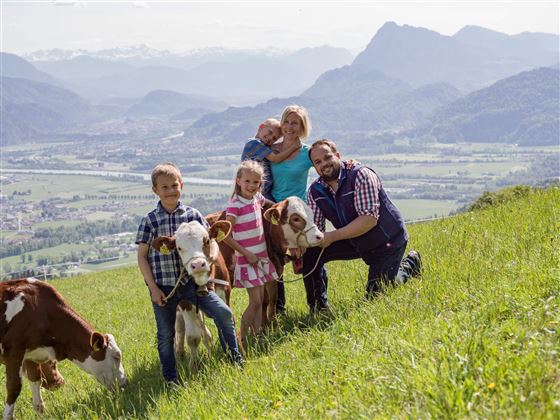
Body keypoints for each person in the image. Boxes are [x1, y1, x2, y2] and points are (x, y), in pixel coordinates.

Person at [136, 162, 243, 387]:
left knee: (223, 314)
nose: (171, 190)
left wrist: (212, 257)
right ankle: (171, 379)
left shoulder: (193, 214)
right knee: (166, 336)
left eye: (174, 185)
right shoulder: (150, 221)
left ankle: (235, 360)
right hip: (165, 287)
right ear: (155, 190)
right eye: (164, 187)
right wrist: (153, 288)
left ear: (181, 185)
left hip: (195, 284)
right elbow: (142, 257)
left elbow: (211, 241)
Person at [303, 140, 422, 314]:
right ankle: (319, 309)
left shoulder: (360, 175)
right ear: (314, 167)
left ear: (337, 156)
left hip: (386, 241)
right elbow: (317, 231)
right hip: (354, 240)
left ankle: (409, 266)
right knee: (311, 252)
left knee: (375, 299)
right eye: (318, 162)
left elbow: (368, 219)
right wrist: (300, 245)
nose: (324, 164)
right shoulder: (315, 191)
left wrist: (332, 236)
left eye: (327, 157)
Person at [269, 105, 320, 312]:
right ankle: (278, 309)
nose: (290, 127)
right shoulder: (271, 149)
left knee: (310, 257)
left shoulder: (307, 152)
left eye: (295, 123)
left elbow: (325, 165)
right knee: (275, 261)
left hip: (300, 214)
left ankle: (317, 304)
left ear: (302, 127)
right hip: (277, 212)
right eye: (287, 122)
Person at [223, 160, 278, 345]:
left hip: (260, 257)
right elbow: (226, 236)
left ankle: (258, 334)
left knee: (261, 299)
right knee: (255, 302)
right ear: (238, 181)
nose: (252, 186)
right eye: (247, 181)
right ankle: (242, 338)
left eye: (256, 182)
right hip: (248, 259)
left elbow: (268, 204)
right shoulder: (235, 205)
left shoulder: (257, 198)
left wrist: (282, 206)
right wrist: (246, 253)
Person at [241, 118, 301, 201]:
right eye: (270, 132)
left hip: (265, 192)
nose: (270, 138)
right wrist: (293, 147)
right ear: (261, 126)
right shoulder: (254, 143)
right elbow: (275, 159)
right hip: (256, 191)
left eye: (274, 138)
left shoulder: (263, 146)